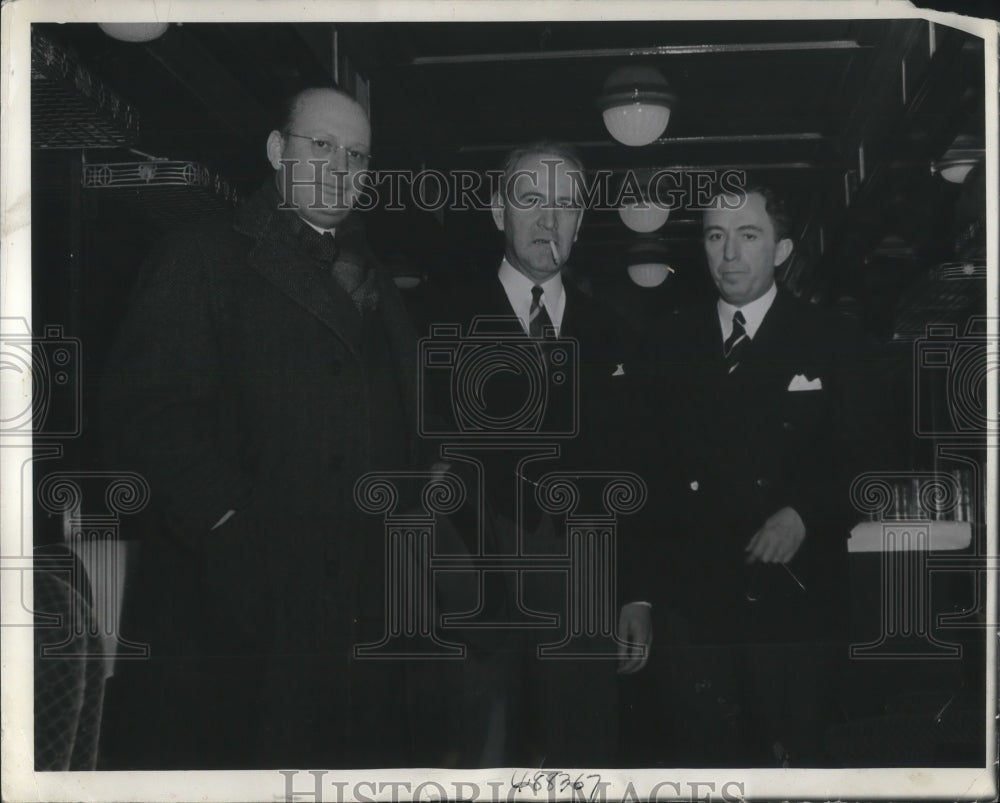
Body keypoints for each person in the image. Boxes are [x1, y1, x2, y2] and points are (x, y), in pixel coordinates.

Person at [99, 86, 437, 769]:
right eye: (322, 145)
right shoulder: (199, 252)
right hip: (236, 604)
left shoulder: (375, 278)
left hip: (355, 611)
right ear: (277, 150)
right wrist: (228, 519)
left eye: (358, 155)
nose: (341, 167)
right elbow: (141, 408)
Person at [426, 142, 653, 767]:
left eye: (565, 205)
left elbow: (634, 475)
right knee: (480, 763)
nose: (548, 221)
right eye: (530, 200)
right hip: (469, 588)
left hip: (584, 591)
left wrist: (635, 596)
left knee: (580, 764)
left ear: (581, 222)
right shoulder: (431, 321)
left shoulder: (619, 334)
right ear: (500, 212)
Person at [648, 181, 882, 767]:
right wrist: (639, 594)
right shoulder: (666, 343)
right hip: (695, 606)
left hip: (795, 602)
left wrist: (806, 511)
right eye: (715, 236)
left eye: (748, 236)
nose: (729, 255)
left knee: (790, 764)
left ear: (781, 250)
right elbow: (645, 475)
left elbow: (871, 458)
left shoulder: (833, 339)